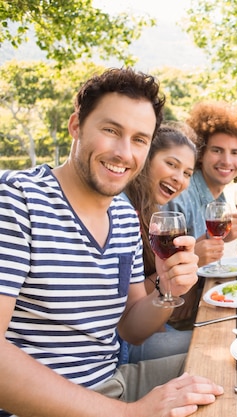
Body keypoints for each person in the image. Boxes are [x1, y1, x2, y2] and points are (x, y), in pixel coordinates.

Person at [0, 68, 223, 417]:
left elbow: (131, 328)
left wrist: (166, 289)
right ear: (76, 125)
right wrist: (132, 414)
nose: (123, 152)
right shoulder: (17, 199)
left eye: (139, 139)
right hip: (40, 407)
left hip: (112, 385)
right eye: (111, 130)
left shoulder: (121, 214)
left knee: (233, 365)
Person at [164, 100, 237, 324]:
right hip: (173, 317)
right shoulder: (181, 194)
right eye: (217, 150)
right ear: (200, 153)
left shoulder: (218, 196)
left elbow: (206, 246)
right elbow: (163, 267)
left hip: (202, 302)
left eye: (235, 152)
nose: (227, 161)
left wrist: (223, 236)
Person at [120, 122, 197, 363]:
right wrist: (166, 279)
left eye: (187, 173)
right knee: (217, 345)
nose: (179, 178)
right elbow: (126, 306)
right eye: (171, 164)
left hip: (148, 329)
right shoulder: (122, 209)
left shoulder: (151, 211)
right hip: (120, 347)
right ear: (146, 159)